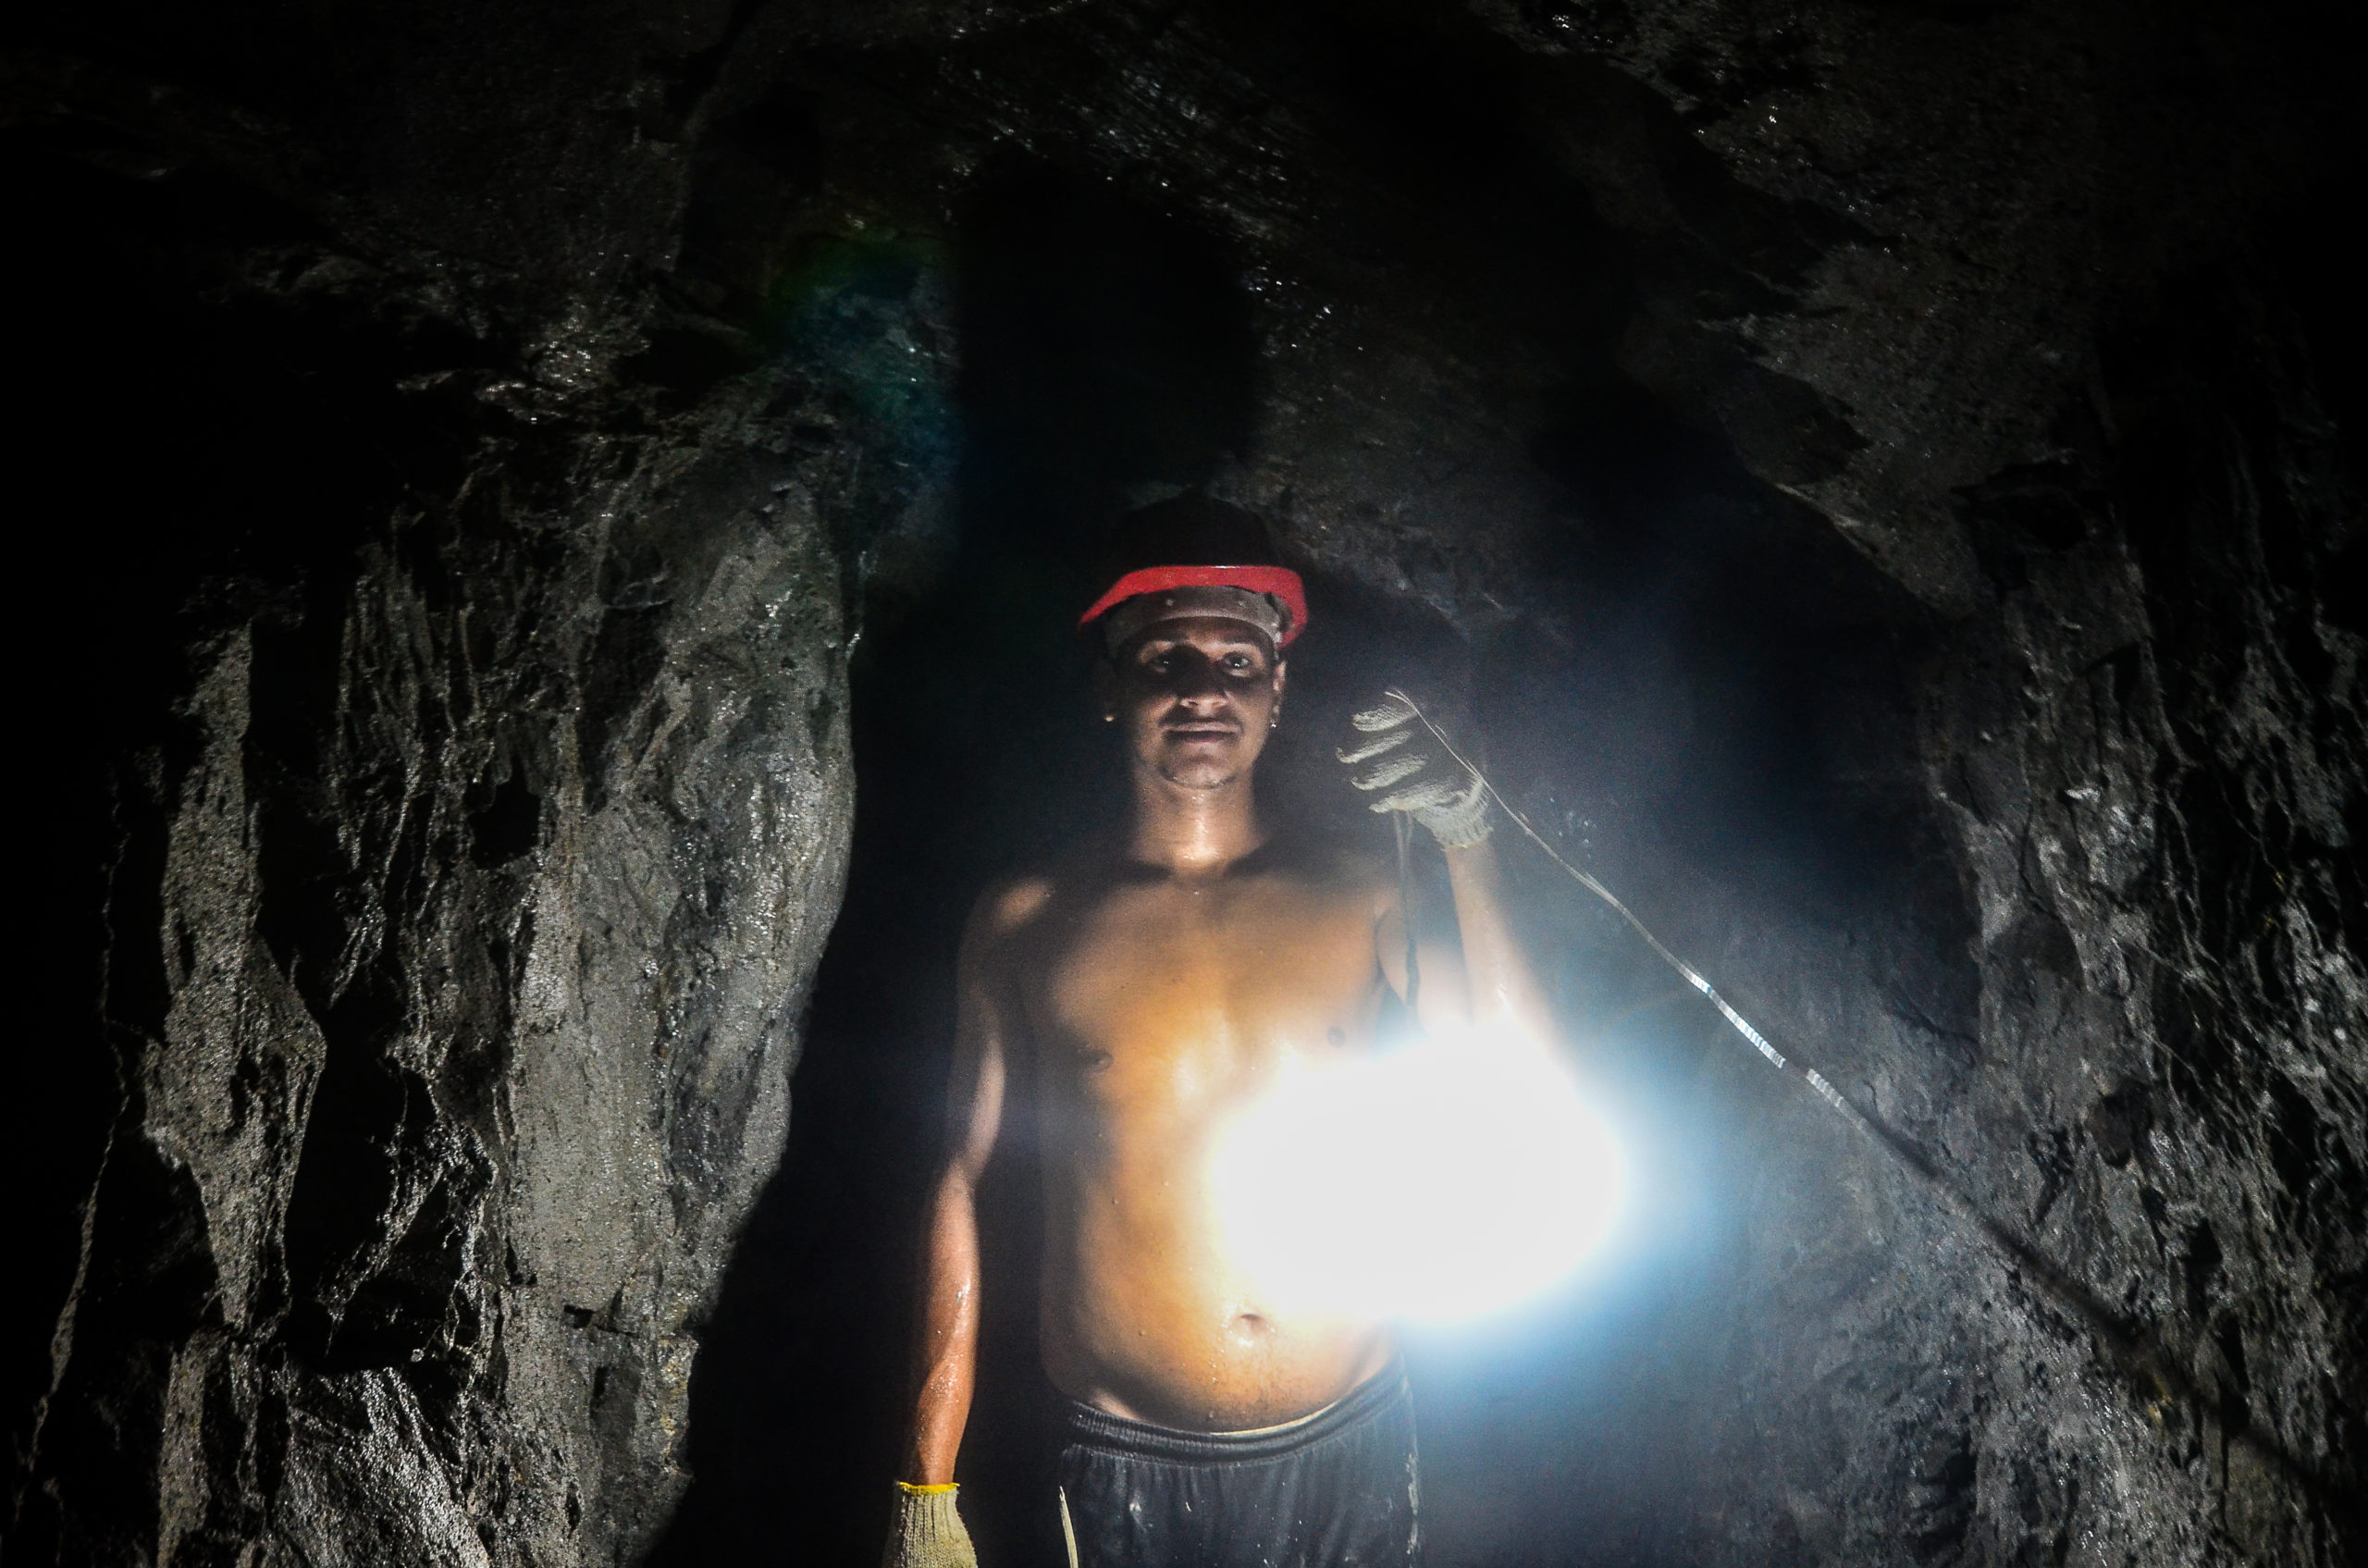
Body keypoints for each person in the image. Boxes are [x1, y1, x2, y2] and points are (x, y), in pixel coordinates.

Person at [884, 497, 1554, 1568]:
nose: (1204, 689)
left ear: (1278, 688)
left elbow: (1525, 1085)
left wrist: (1466, 839)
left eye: (1239, 662)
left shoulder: (1360, 889)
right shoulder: (1025, 918)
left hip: (1353, 1438)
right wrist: (926, 1485)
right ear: (1108, 686)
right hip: (1120, 1457)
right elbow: (962, 1176)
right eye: (1164, 658)